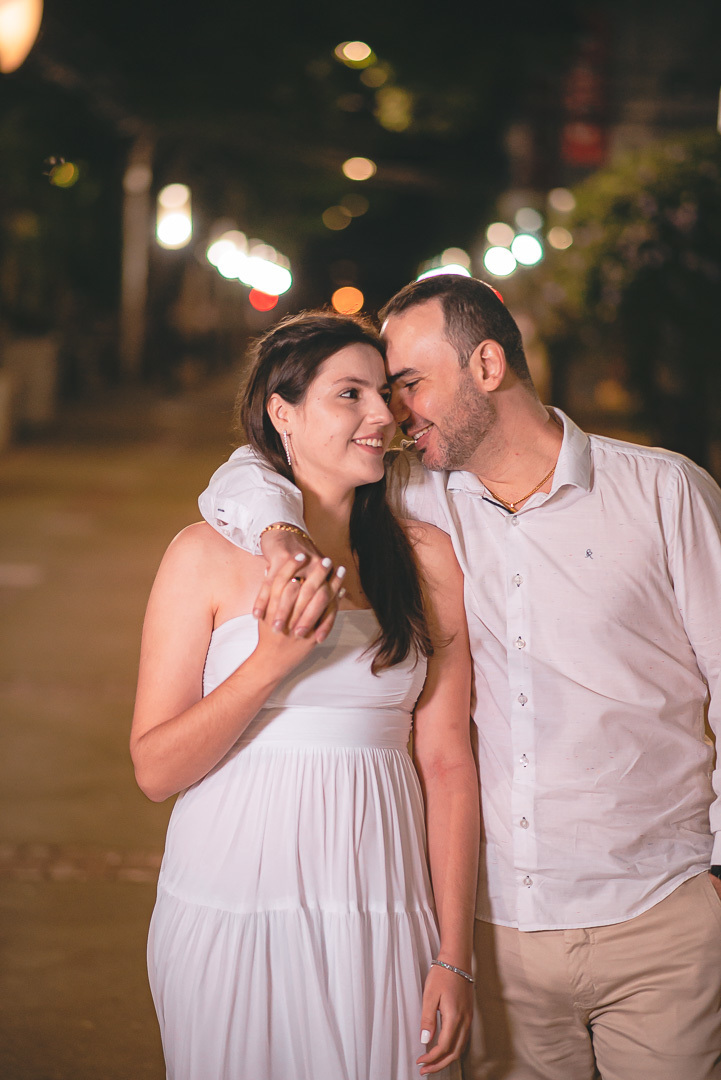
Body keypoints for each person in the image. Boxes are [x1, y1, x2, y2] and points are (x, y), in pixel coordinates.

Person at [198, 275, 721, 1080]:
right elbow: (257, 462)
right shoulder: (414, 494)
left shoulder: (660, 492)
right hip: (493, 928)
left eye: (408, 383)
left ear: (485, 365)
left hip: (659, 916)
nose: (393, 413)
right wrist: (276, 530)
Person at [131, 310, 479, 1080]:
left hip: (380, 906)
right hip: (229, 901)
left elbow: (448, 765)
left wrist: (453, 956)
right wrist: (270, 663)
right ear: (281, 413)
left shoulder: (425, 558)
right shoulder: (203, 556)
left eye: (384, 393)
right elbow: (155, 770)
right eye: (349, 394)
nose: (381, 414)